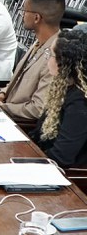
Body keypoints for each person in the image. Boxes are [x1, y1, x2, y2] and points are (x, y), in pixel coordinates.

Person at [0, 0, 64, 123]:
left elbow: (38, 109)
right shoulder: (40, 42)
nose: (21, 15)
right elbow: (20, 79)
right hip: (7, 112)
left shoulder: (55, 55)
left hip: (21, 125)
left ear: (37, 18)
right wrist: (3, 93)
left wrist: (5, 108)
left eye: (24, 11)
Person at [29, 29, 87, 168]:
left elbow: (61, 157)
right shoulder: (62, 88)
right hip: (43, 159)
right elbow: (40, 134)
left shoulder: (80, 103)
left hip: (67, 177)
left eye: (51, 55)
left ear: (64, 64)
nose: (48, 59)